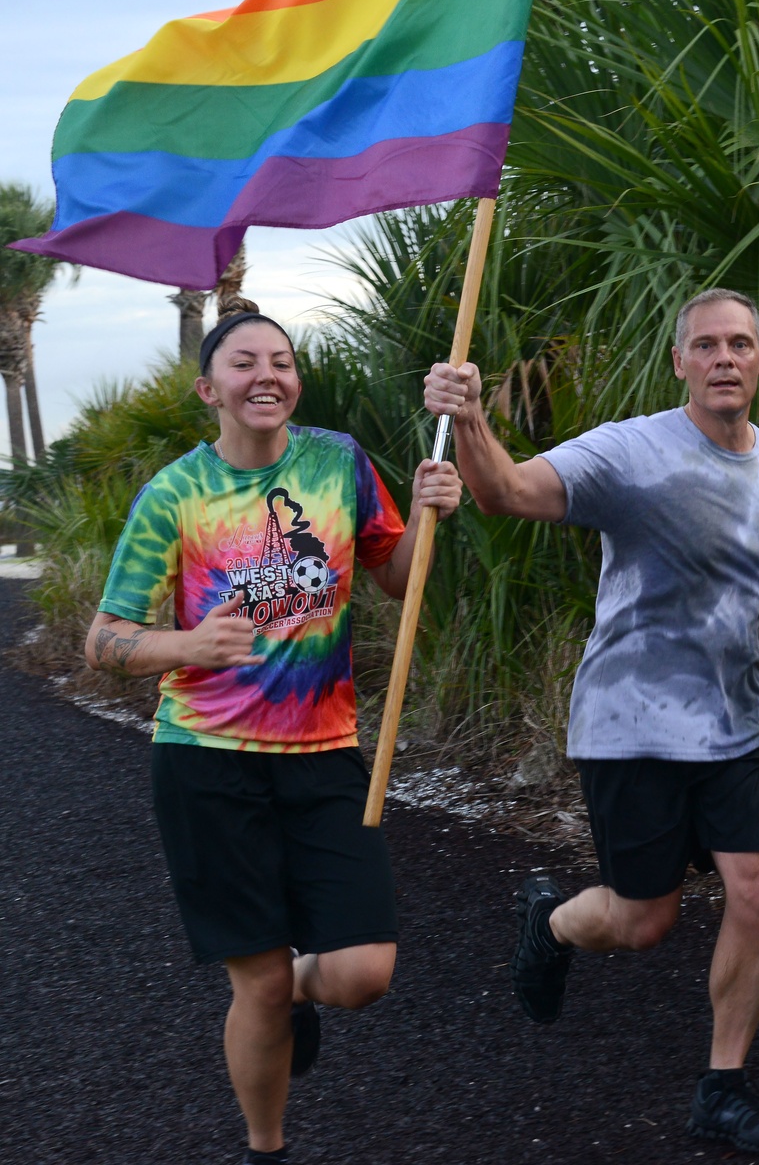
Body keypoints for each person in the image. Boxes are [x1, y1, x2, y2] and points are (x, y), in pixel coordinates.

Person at [424, 287, 759, 1156]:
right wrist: (471, 420)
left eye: (740, 344)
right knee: (642, 919)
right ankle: (549, 922)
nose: (724, 358)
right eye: (706, 345)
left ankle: (722, 1089)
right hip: (631, 723)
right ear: (681, 363)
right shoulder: (629, 452)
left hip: (742, 723)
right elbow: (509, 492)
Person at [85, 298, 462, 1165]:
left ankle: (294, 984)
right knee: (252, 985)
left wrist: (435, 509)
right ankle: (267, 1145)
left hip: (326, 754)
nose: (268, 376)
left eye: (281, 362)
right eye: (246, 363)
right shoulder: (173, 496)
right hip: (207, 764)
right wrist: (188, 643)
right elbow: (104, 640)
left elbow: (399, 580)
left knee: (364, 974)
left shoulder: (338, 463)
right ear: (208, 388)